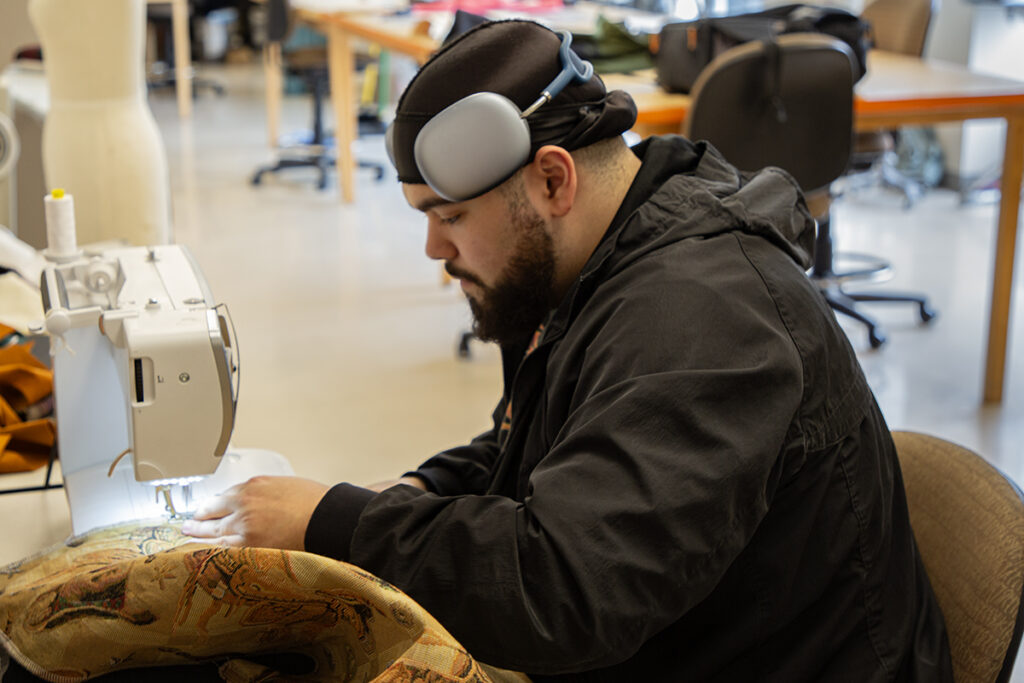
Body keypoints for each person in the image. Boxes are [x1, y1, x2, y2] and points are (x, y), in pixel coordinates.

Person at [183, 19, 954, 681]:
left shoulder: (703, 321)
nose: (431, 247)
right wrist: (412, 491)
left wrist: (337, 522)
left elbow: (568, 593)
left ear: (553, 180)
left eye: (448, 214)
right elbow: (544, 442)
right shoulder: (608, 258)